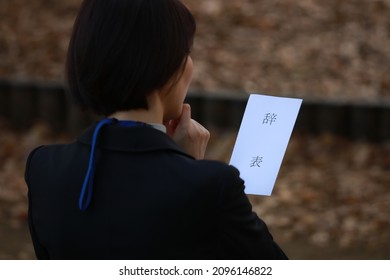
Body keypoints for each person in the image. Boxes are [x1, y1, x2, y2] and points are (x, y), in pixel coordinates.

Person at [24, 0, 288, 260]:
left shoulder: (44, 169)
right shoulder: (214, 186)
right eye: (186, 51)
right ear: (165, 63)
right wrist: (188, 168)